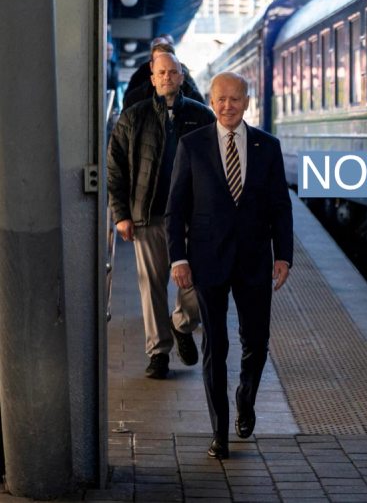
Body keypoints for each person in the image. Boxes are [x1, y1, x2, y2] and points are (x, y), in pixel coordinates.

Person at [165, 72, 293, 459]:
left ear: (247, 102)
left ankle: (246, 399)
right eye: (220, 99)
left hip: (255, 260)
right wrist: (178, 258)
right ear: (211, 100)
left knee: (256, 341)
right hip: (207, 260)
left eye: (235, 99)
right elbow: (175, 209)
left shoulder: (267, 147)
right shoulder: (192, 145)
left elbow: (280, 207)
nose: (227, 106)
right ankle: (219, 431)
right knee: (215, 346)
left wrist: (283, 255)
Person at [108, 53, 217, 379]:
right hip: (148, 216)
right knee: (151, 286)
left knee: (197, 281)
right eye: (161, 72)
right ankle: (158, 354)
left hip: (192, 217)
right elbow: (115, 170)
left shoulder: (202, 116)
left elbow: (217, 167)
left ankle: (182, 324)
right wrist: (121, 215)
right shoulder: (132, 117)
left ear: (182, 77)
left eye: (173, 72)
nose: (167, 77)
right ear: (152, 79)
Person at [123, 42, 204, 109]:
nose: (166, 76)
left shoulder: (193, 96)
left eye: (168, 61)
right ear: (151, 67)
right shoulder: (135, 98)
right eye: (158, 61)